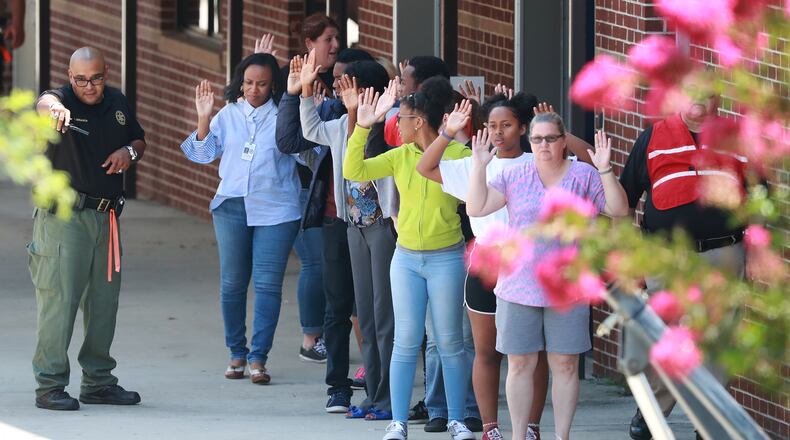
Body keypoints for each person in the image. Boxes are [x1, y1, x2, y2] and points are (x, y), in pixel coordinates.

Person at [466, 112, 629, 440]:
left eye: (551, 138)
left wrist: (606, 169)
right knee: (520, 365)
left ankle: (562, 436)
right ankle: (518, 435)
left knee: (566, 365)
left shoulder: (583, 175)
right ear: (530, 141)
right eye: (537, 139)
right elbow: (477, 206)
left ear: (563, 140)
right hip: (518, 287)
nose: (544, 145)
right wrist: (480, 166)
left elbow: (619, 209)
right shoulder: (516, 174)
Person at [344, 77, 476, 440]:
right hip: (405, 260)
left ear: (419, 121)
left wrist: (457, 136)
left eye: (401, 118)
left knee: (450, 343)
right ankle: (398, 422)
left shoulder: (457, 155)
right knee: (405, 341)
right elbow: (354, 172)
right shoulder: (399, 155)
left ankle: (457, 420)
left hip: (447, 258)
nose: (396, 124)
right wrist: (362, 126)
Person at [417, 93, 553, 440]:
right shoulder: (476, 163)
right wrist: (447, 133)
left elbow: (585, 159)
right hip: (487, 263)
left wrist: (553, 128)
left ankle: (532, 427)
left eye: (506, 125)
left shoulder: (542, 162)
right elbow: (426, 167)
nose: (498, 132)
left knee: (532, 354)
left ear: (523, 128)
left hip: (529, 262)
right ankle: (490, 427)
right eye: (492, 125)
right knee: (486, 351)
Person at [619, 97, 748, 440]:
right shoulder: (652, 138)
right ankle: (653, 411)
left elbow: (758, 196)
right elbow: (625, 200)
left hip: (723, 253)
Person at [29, 46, 145, 410]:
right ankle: (49, 386)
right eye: (80, 79)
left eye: (96, 78)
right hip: (66, 216)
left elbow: (138, 138)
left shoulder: (117, 102)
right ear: (69, 75)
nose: (89, 86)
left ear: (106, 73)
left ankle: (98, 381)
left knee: (103, 304)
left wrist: (130, 153)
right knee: (60, 301)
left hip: (107, 217)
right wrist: (55, 111)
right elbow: (45, 103)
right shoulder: (59, 100)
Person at [180, 53, 300, 385]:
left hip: (276, 209)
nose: (254, 90)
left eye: (262, 84)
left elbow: (310, 152)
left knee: (267, 285)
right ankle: (236, 352)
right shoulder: (229, 114)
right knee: (233, 284)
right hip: (232, 206)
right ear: (240, 82)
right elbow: (201, 155)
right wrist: (204, 119)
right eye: (248, 83)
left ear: (273, 84)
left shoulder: (285, 114)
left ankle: (258, 358)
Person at [299, 61, 398, 420]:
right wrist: (307, 89)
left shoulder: (390, 125)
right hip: (353, 227)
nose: (341, 94)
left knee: (385, 315)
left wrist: (368, 113)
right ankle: (373, 394)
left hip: (385, 227)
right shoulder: (342, 125)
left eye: (347, 87)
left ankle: (389, 398)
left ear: (368, 90)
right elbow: (309, 128)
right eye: (340, 88)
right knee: (367, 317)